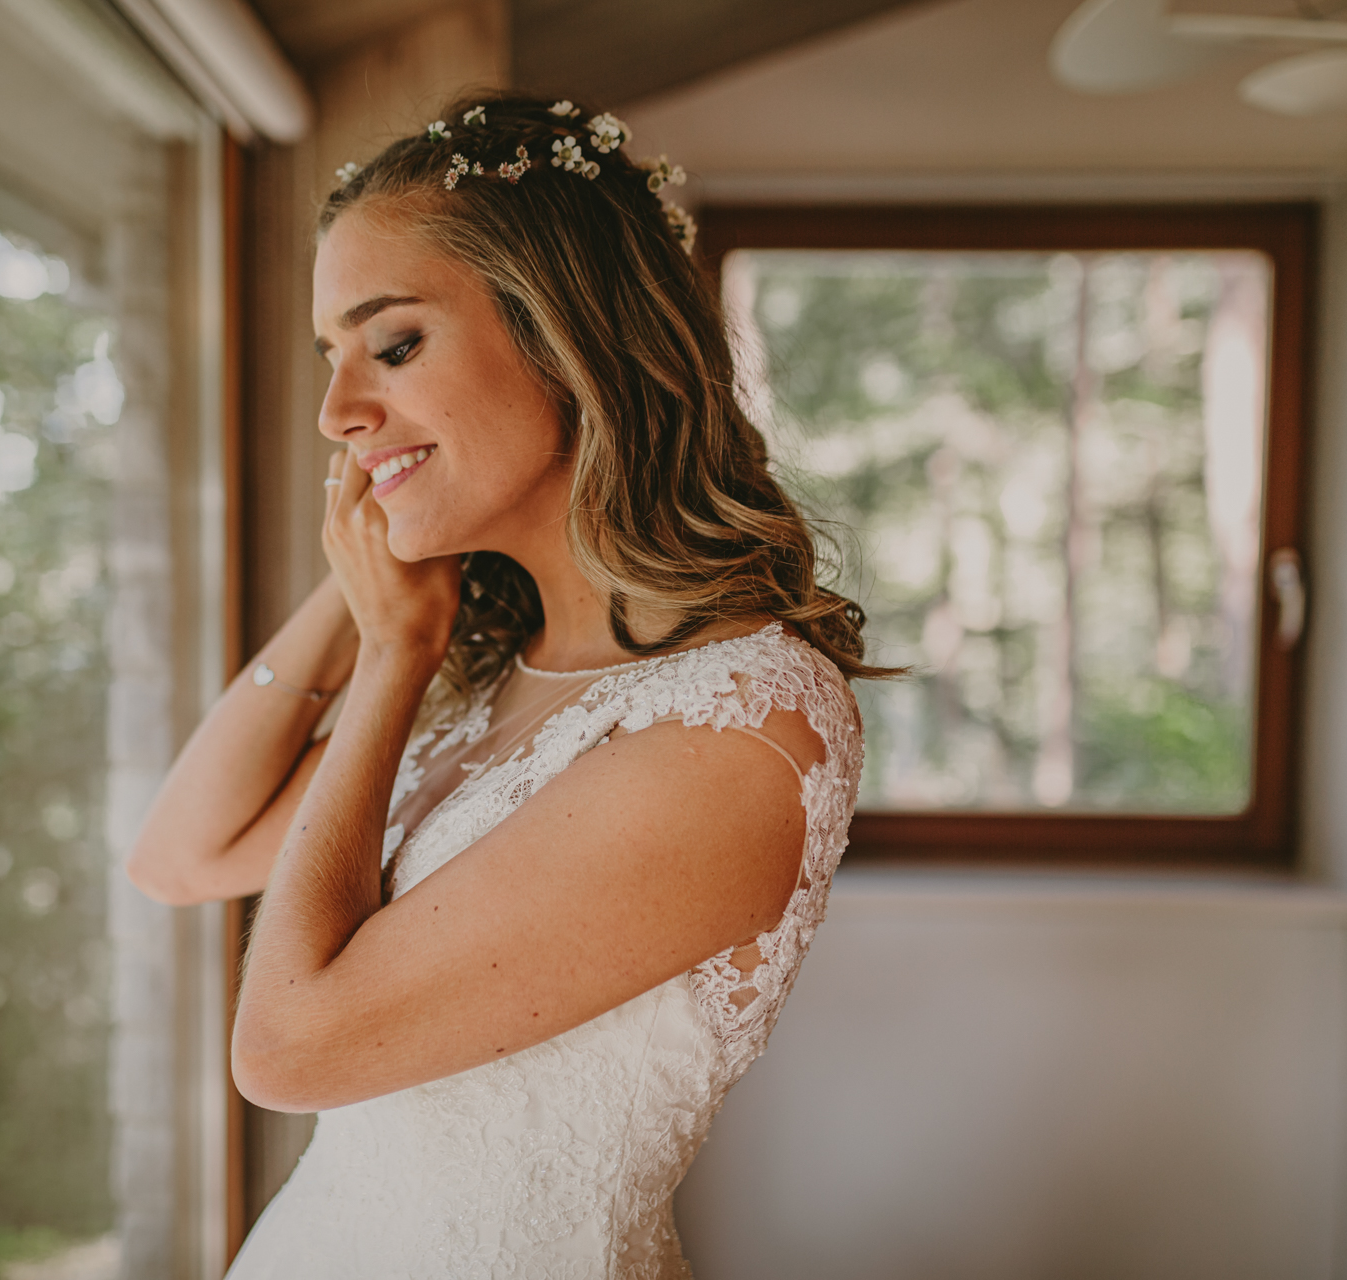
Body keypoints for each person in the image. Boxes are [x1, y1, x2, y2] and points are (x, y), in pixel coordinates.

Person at [128, 92, 884, 1278]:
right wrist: (375, 563)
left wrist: (390, 658)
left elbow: (284, 1049)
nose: (337, 412)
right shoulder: (494, 674)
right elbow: (182, 852)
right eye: (331, 359)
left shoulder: (739, 723)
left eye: (394, 344)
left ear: (565, 335)